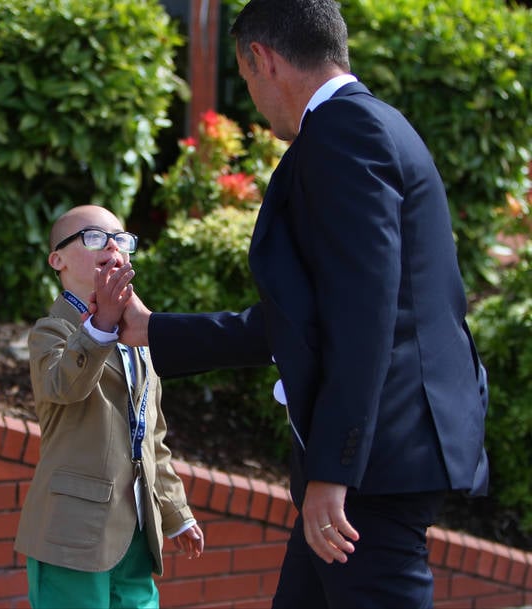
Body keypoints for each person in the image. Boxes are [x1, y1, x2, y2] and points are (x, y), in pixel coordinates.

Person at [115, 1, 489, 607]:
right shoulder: (377, 123)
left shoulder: (343, 133)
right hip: (388, 451)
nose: (253, 100)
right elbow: (312, 318)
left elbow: (364, 318)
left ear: (262, 59)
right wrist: (155, 331)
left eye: (245, 78)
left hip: (374, 464)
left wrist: (333, 472)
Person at [14, 204, 204, 609]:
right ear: (58, 260)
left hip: (136, 529)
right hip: (72, 534)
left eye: (120, 238)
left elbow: (152, 437)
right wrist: (100, 329)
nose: (112, 245)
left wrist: (176, 512)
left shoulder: (137, 336)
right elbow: (65, 386)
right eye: (94, 237)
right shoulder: (51, 332)